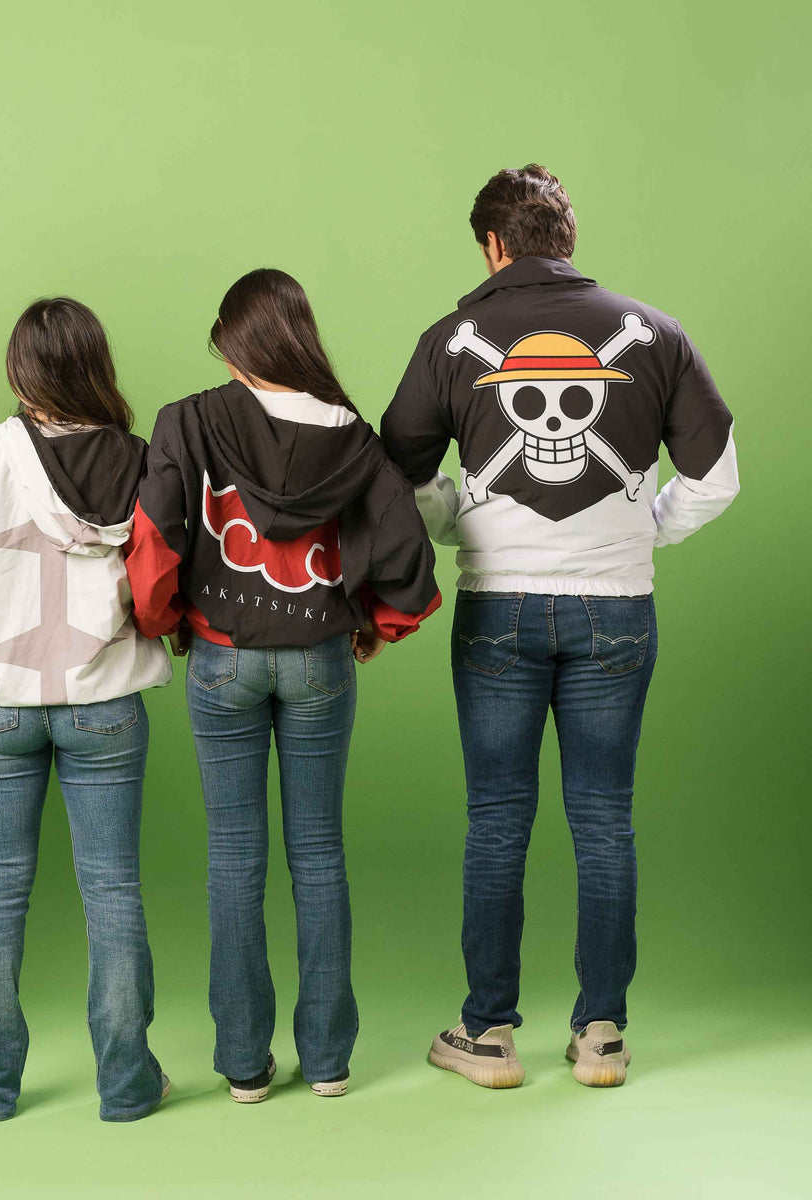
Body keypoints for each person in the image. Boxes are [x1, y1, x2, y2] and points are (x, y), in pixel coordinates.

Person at [380, 164, 740, 1088]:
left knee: (497, 821)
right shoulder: (657, 334)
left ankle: (487, 1035)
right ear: (567, 240)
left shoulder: (450, 339)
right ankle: (602, 1034)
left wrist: (459, 521)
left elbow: (398, 472)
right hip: (617, 608)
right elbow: (716, 478)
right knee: (605, 819)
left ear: (493, 246)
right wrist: (641, 532)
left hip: (497, 605)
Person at [127, 269, 440, 1102]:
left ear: (233, 343)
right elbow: (403, 545)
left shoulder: (188, 419)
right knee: (320, 855)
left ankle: (242, 1064)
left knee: (234, 859)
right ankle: (329, 1060)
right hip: (319, 658)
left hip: (222, 656)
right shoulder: (353, 435)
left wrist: (165, 619)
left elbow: (153, 535)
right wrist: (377, 622)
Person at [0, 297, 173, 1122]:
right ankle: (128, 1083)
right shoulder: (143, 463)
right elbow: (159, 578)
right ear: (96, 365)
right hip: (103, 700)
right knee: (113, 891)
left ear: (20, 368)